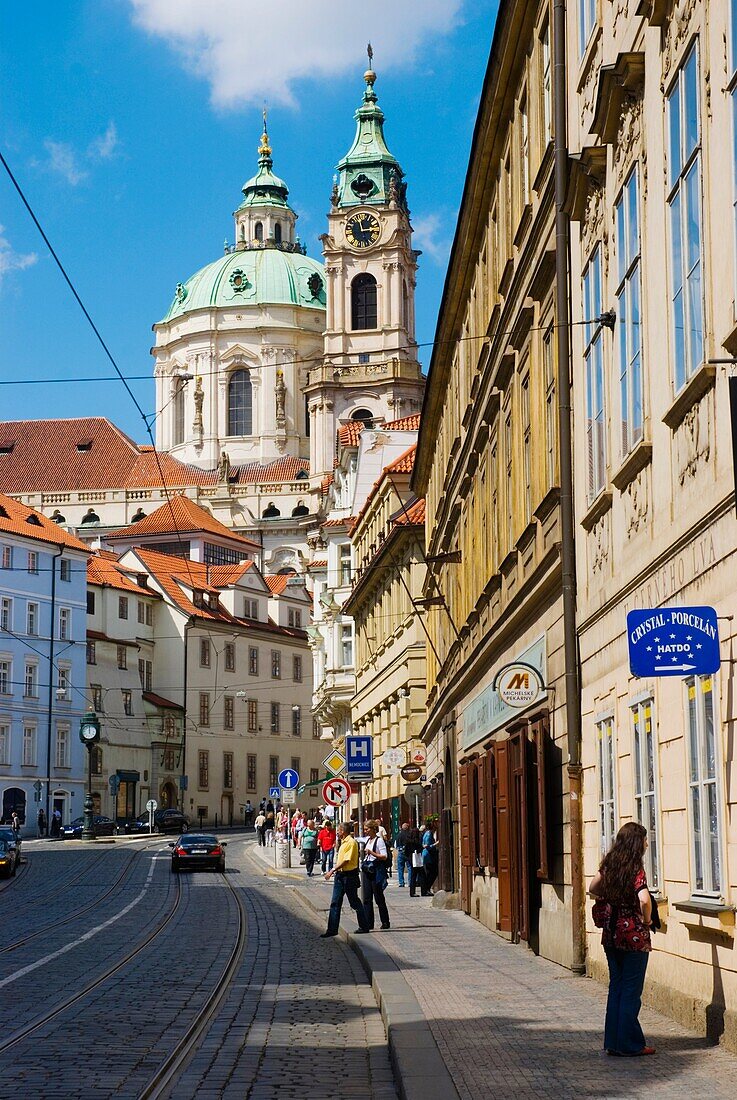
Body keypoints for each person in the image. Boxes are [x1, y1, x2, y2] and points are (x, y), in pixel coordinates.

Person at [588, 822, 655, 1057]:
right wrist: (646, 920)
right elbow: (645, 899)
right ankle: (630, 1044)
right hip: (633, 936)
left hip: (611, 934)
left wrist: (610, 895)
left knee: (616, 987)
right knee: (630, 990)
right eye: (645, 839)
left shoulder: (610, 864)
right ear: (637, 843)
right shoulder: (635, 868)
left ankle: (613, 1042)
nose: (647, 843)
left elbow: (592, 887)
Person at [321, 821, 370, 937]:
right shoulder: (343, 842)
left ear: (343, 831)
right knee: (335, 902)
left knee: (354, 902)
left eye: (338, 830)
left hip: (349, 876)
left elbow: (346, 860)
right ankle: (332, 930)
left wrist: (332, 870)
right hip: (340, 876)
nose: (337, 832)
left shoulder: (351, 843)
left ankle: (364, 926)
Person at [361, 820, 390, 931]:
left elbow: (384, 856)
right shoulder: (368, 840)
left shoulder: (379, 841)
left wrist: (372, 853)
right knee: (367, 898)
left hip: (376, 871)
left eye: (367, 829)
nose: (365, 831)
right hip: (367, 871)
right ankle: (369, 923)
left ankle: (385, 921)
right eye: (364, 829)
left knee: (378, 898)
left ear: (373, 829)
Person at [406, 825, 425, 896]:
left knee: (413, 876)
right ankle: (423, 891)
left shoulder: (408, 841)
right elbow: (419, 848)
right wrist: (422, 847)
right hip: (416, 858)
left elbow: (406, 851)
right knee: (422, 874)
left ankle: (412, 892)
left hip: (410, 858)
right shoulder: (416, 841)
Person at [422, 819, 439, 895]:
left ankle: (426, 889)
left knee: (429, 873)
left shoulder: (426, 833)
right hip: (429, 855)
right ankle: (427, 889)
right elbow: (428, 846)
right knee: (432, 873)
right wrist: (436, 844)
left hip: (426, 855)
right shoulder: (429, 834)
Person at [395, 821, 412, 888]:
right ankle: (410, 882)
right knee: (410, 867)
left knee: (400, 868)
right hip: (408, 852)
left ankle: (401, 882)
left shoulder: (399, 835)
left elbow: (396, 844)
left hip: (400, 851)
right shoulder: (409, 834)